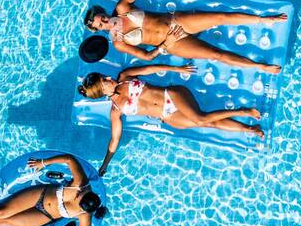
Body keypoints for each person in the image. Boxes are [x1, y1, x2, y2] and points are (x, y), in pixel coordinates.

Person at [85, 0, 287, 73]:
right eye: (100, 25)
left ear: (103, 12)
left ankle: (264, 20)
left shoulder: (122, 9)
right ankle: (260, 67)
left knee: (220, 17)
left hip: (176, 22)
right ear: (98, 30)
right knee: (217, 54)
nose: (104, 21)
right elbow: (146, 57)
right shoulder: (119, 43)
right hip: (174, 44)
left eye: (101, 17)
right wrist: (165, 45)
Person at [78, 63, 264, 173]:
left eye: (105, 76)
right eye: (105, 80)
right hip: (167, 115)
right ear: (102, 91)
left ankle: (243, 111)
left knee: (200, 119)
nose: (109, 77)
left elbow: (151, 68)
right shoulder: (115, 110)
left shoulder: (124, 76)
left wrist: (176, 68)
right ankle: (248, 129)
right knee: (210, 124)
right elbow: (114, 140)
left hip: (172, 95)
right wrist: (105, 165)